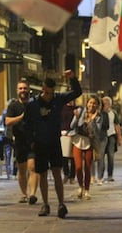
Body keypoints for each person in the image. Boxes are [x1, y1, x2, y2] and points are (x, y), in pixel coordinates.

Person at [24, 70, 82, 218]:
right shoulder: (33, 104)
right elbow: (28, 124)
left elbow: (77, 92)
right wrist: (31, 142)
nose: (50, 96)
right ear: (43, 90)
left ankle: (61, 204)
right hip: (40, 143)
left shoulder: (58, 99)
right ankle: (45, 204)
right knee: (42, 174)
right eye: (48, 93)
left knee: (57, 172)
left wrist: (73, 78)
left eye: (52, 93)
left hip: (54, 142)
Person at [5, 80, 39, 204]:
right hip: (19, 141)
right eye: (20, 88)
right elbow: (8, 121)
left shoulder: (35, 105)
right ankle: (24, 193)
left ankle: (33, 194)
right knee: (22, 169)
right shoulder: (13, 106)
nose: (23, 90)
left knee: (33, 167)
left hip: (33, 141)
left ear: (28, 89)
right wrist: (21, 117)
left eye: (25, 88)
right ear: (17, 90)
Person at [71, 95, 105, 199]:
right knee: (78, 167)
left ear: (98, 105)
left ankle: (86, 190)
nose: (92, 105)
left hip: (89, 142)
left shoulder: (99, 116)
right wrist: (76, 118)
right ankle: (80, 187)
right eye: (90, 102)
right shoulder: (80, 111)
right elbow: (72, 126)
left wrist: (93, 121)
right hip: (78, 140)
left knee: (87, 167)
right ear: (87, 103)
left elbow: (97, 132)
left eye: (94, 103)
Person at [101, 96, 122, 182]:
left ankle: (110, 175)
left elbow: (117, 125)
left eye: (108, 103)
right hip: (102, 136)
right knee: (101, 157)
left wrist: (119, 137)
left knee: (111, 156)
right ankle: (100, 175)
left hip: (111, 136)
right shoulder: (100, 113)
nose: (106, 104)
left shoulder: (114, 113)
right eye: (104, 103)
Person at [60, 101, 76, 184]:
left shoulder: (76, 109)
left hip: (73, 134)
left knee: (73, 156)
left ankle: (72, 176)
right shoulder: (62, 108)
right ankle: (66, 174)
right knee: (64, 156)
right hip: (63, 133)